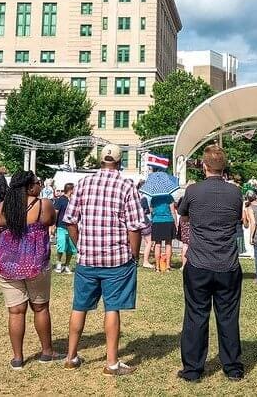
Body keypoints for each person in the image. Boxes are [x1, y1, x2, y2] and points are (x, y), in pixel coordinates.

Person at [62, 144, 146, 376]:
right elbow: (135, 226)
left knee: (79, 306)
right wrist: (134, 254)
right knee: (113, 308)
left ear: (101, 161)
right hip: (117, 258)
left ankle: (71, 356)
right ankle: (111, 362)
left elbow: (70, 220)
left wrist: (81, 244)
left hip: (88, 258)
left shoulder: (83, 183)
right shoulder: (126, 185)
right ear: (119, 163)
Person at [177, 144, 245, 383]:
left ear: (204, 166)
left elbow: (183, 215)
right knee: (228, 316)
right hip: (227, 263)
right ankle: (233, 367)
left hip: (199, 262)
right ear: (223, 167)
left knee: (196, 315)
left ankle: (193, 369)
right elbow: (237, 218)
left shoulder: (194, 191)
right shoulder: (235, 193)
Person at [0, 170, 58, 369]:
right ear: (30, 186)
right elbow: (50, 221)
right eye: (38, 182)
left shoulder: (2, 207)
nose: (40, 185)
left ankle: (17, 358)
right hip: (36, 263)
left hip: (7, 265)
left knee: (16, 312)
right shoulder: (44, 205)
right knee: (40, 307)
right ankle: (46, 352)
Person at [150, 189, 176, 272]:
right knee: (168, 244)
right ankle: (168, 267)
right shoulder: (169, 197)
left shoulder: (153, 198)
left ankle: (157, 267)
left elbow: (151, 211)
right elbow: (173, 211)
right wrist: (175, 222)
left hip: (157, 222)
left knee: (157, 244)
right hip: (168, 221)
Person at [54, 182, 77, 274]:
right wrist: (53, 225)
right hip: (61, 226)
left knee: (71, 248)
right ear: (71, 190)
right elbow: (56, 212)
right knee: (61, 246)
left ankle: (67, 265)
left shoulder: (73, 200)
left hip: (72, 227)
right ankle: (59, 263)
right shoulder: (60, 200)